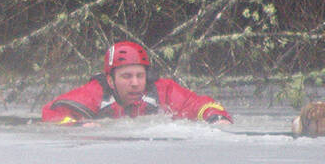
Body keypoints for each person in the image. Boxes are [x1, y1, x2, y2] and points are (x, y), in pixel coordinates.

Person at [41, 40, 233, 124]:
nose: (135, 83)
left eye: (139, 76)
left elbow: (200, 104)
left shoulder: (162, 90)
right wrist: (77, 126)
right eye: (126, 76)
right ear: (110, 80)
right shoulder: (95, 93)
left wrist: (216, 117)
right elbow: (52, 112)